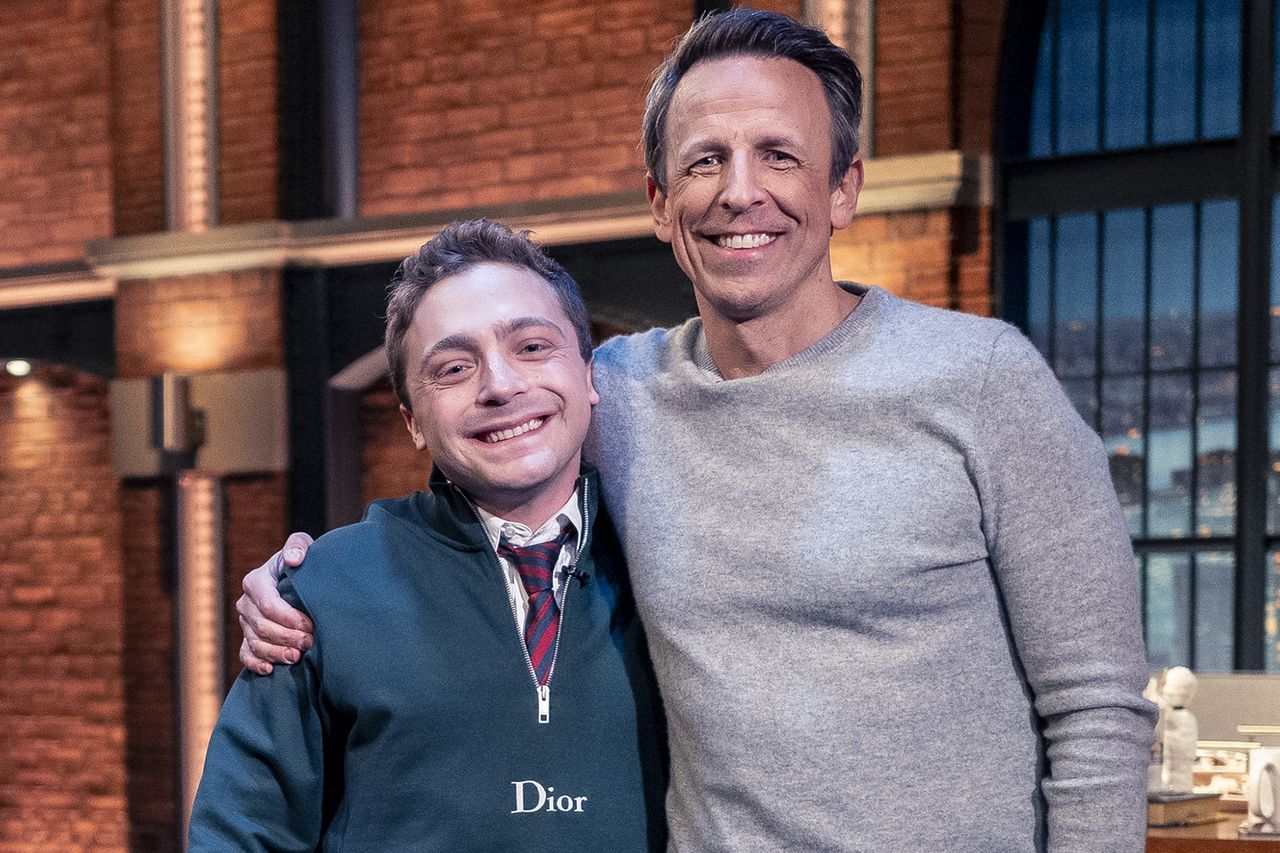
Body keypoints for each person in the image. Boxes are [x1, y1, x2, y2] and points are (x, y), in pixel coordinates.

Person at [238, 10, 1156, 851]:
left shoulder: (984, 380)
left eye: (779, 155)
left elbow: (1098, 708)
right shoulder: (618, 392)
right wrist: (300, 580)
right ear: (659, 202)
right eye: (706, 160)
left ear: (844, 189)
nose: (739, 191)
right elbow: (488, 450)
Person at [189, 220, 667, 851]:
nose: (500, 385)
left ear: (588, 376)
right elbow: (241, 835)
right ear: (413, 421)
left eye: (532, 347)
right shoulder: (321, 593)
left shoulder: (672, 560)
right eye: (453, 367)